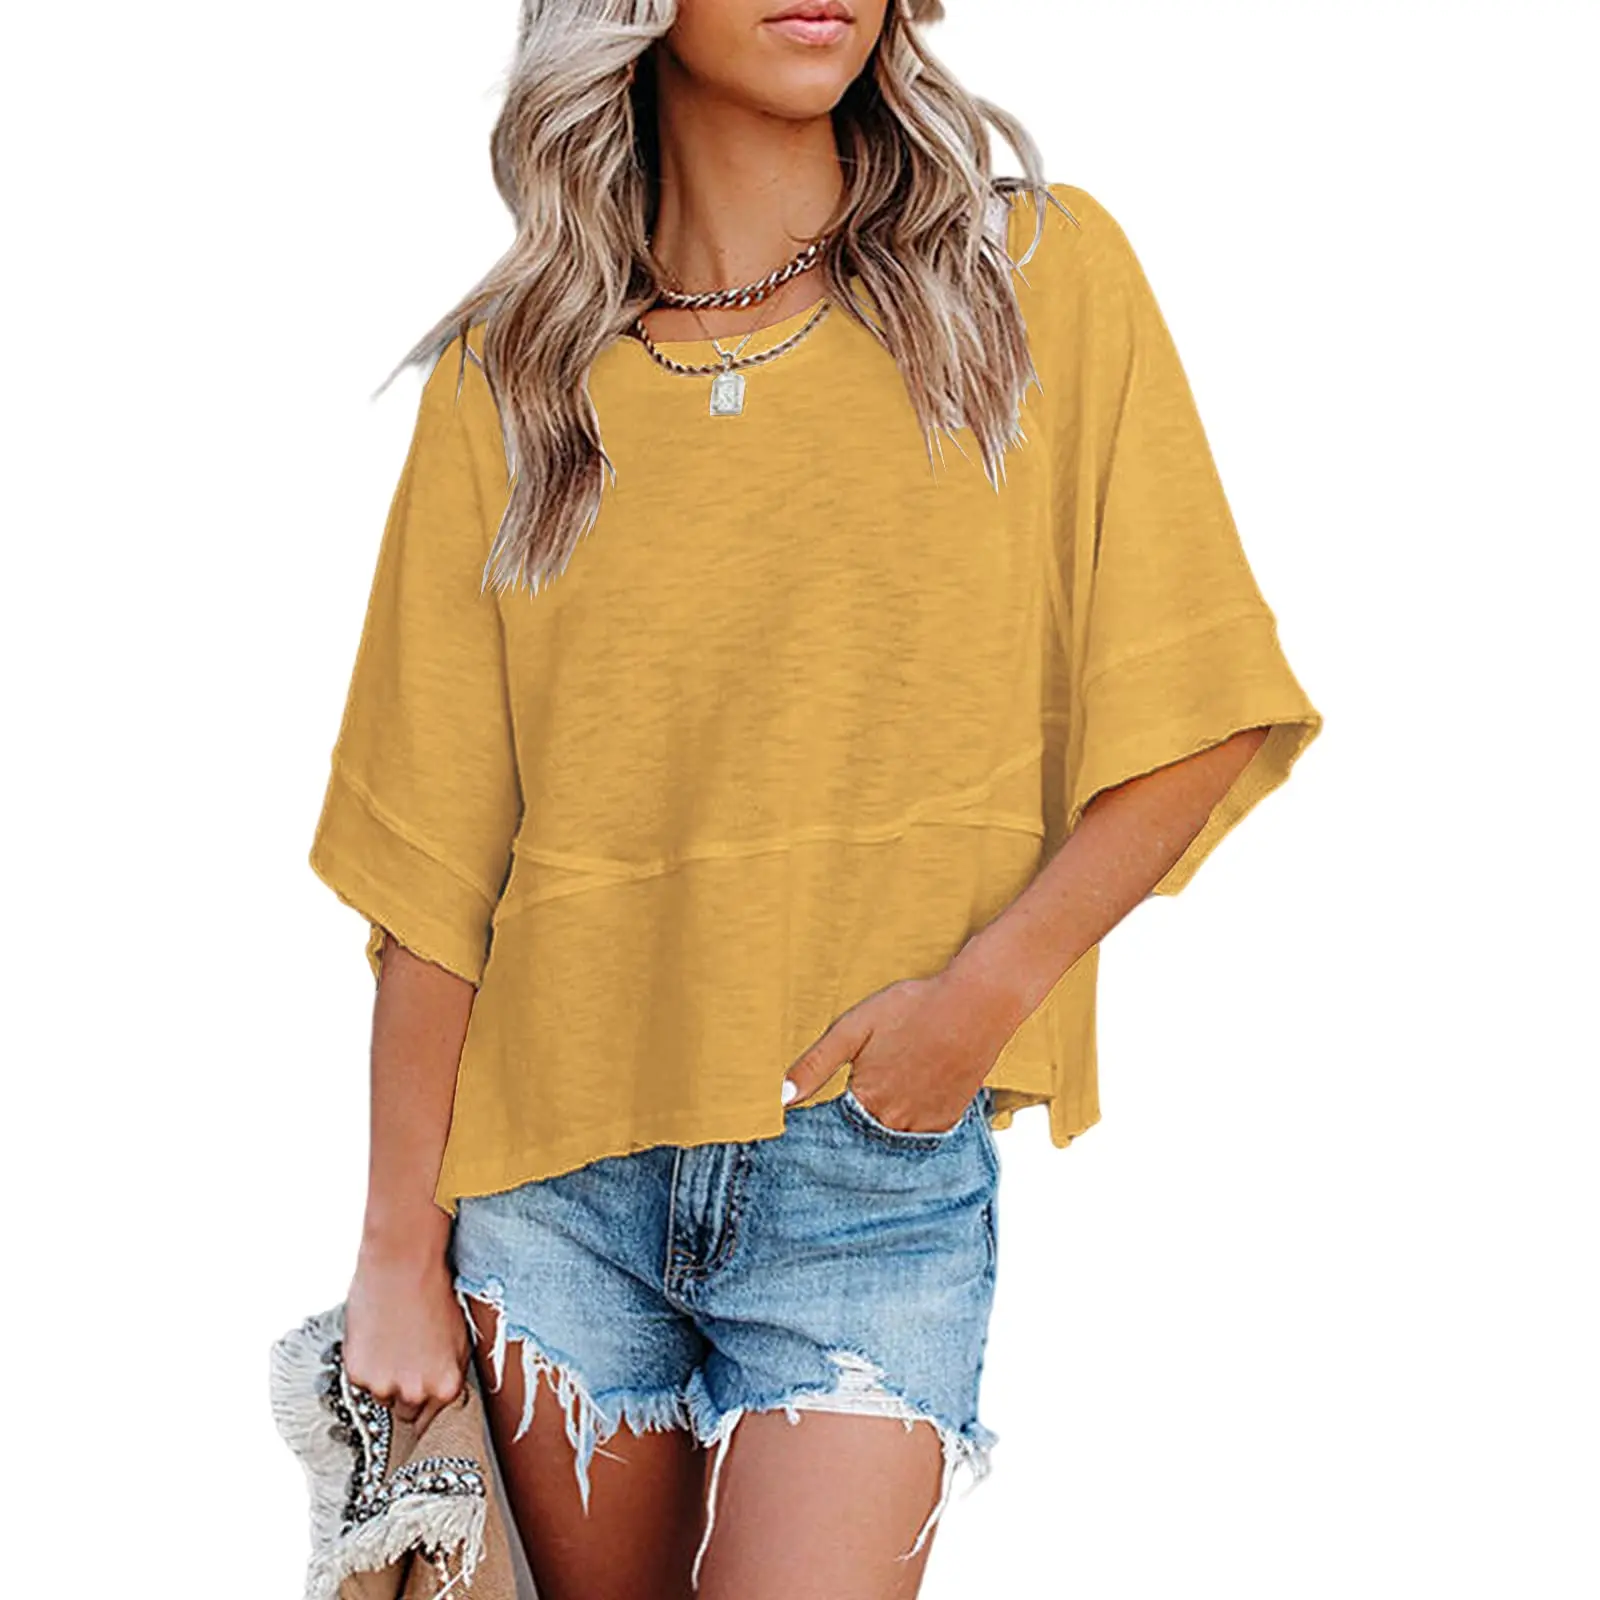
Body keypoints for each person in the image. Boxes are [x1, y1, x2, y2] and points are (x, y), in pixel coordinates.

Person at [306, 1, 1322, 1596]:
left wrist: (977, 1005)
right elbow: (434, 872)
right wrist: (392, 1255)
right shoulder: (515, 381)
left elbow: (1199, 710)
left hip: (865, 1182)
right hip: (550, 1199)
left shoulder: (1030, 282)